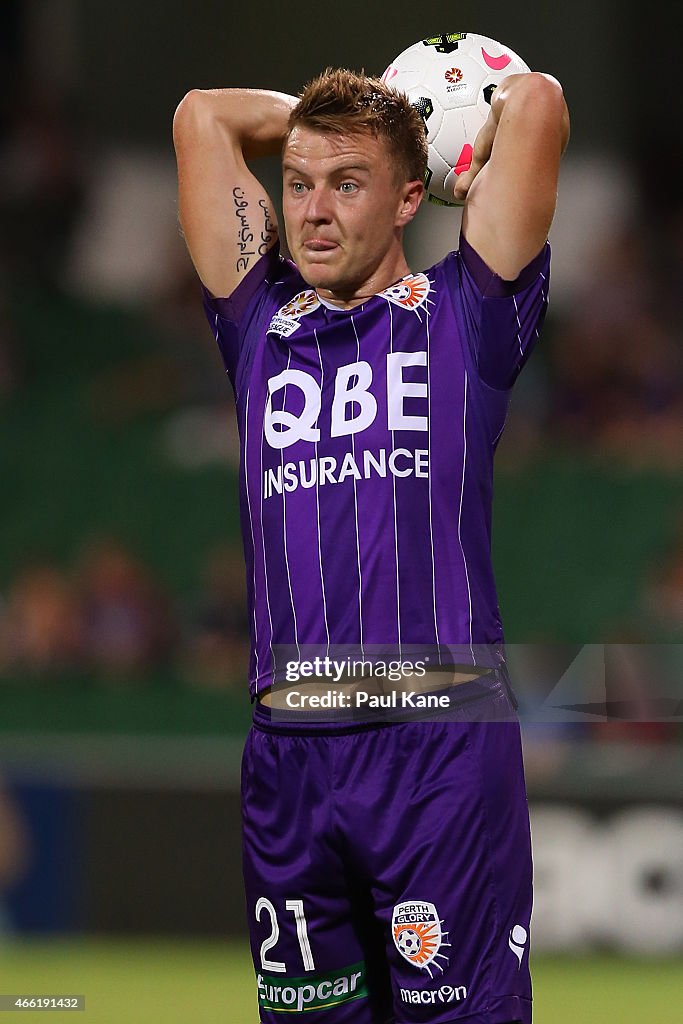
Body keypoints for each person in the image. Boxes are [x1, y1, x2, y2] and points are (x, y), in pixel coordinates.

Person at [173, 55, 569, 1024]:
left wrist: (415, 127)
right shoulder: (259, 326)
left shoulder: (465, 317)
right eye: (297, 183)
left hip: (435, 748)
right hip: (288, 754)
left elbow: (537, 102)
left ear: (406, 198)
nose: (311, 210)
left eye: (346, 185)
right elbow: (199, 116)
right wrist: (328, 124)